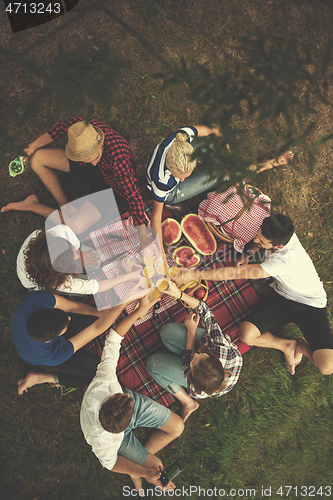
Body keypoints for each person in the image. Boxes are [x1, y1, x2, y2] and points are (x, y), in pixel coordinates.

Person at [176, 214, 333, 376]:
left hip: (311, 306)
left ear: (278, 247)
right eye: (258, 236)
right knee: (246, 334)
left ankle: (303, 347)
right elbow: (259, 241)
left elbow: (234, 273)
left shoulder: (282, 262)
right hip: (281, 297)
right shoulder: (280, 231)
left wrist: (195, 275)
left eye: (262, 242)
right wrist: (248, 254)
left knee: (326, 367)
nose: (257, 241)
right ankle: (287, 345)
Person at [80, 293, 184, 495]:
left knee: (178, 427)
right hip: (120, 438)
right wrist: (144, 472)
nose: (128, 395)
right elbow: (111, 464)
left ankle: (138, 462)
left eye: (125, 396)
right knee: (157, 467)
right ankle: (137, 469)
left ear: (105, 403)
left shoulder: (105, 382)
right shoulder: (102, 442)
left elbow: (114, 338)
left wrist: (139, 311)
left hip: (123, 416)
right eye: (127, 397)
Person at [2, 117, 147, 228]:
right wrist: (32, 146)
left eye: (96, 157)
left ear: (101, 143)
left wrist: (143, 234)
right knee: (36, 159)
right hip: (87, 169)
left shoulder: (118, 158)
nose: (94, 163)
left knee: (75, 226)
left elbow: (134, 195)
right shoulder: (80, 129)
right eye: (87, 159)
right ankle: (65, 207)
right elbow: (60, 128)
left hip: (110, 185)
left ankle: (31, 205)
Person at [146, 280, 242, 422]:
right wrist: (178, 294)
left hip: (197, 370)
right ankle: (178, 358)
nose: (195, 354)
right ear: (212, 358)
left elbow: (189, 358)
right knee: (166, 332)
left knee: (152, 364)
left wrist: (191, 331)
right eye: (201, 355)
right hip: (209, 345)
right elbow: (206, 312)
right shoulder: (219, 346)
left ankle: (188, 402)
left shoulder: (197, 389)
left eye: (193, 362)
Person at [13, 290, 128, 394]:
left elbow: (73, 307)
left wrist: (97, 313)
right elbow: (96, 328)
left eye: (64, 315)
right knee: (99, 373)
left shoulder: (35, 299)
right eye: (64, 325)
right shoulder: (52, 355)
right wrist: (125, 302)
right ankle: (42, 377)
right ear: (51, 340)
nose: (69, 318)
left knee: (101, 316)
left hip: (36, 335)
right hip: (39, 357)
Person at [16, 227, 141, 296]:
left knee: (94, 262)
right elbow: (93, 287)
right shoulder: (56, 282)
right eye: (73, 259)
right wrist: (128, 277)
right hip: (34, 284)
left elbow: (73, 247)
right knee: (82, 288)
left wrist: (80, 255)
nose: (77, 256)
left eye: (72, 248)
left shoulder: (61, 232)